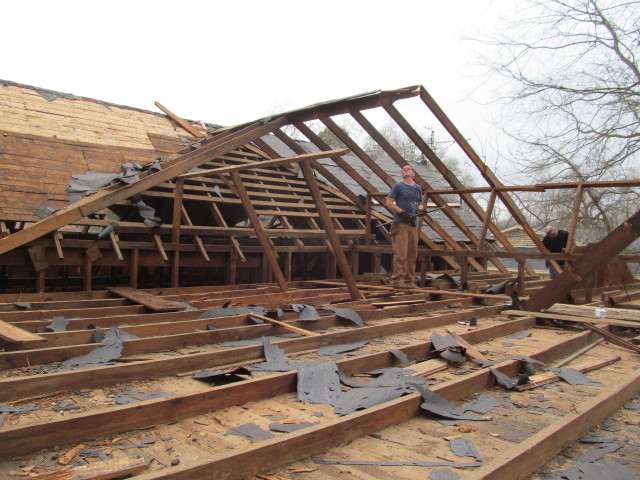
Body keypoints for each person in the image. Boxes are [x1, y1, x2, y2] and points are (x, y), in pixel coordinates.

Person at [386, 165, 424, 289]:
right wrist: (401, 212)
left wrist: (420, 210)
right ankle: (398, 281)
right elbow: (389, 202)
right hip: (400, 223)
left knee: (412, 254)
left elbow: (420, 204)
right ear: (402, 174)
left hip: (413, 225)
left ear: (414, 174)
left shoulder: (418, 188)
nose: (407, 170)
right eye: (404, 170)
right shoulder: (398, 186)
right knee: (401, 254)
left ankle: (409, 281)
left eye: (409, 170)